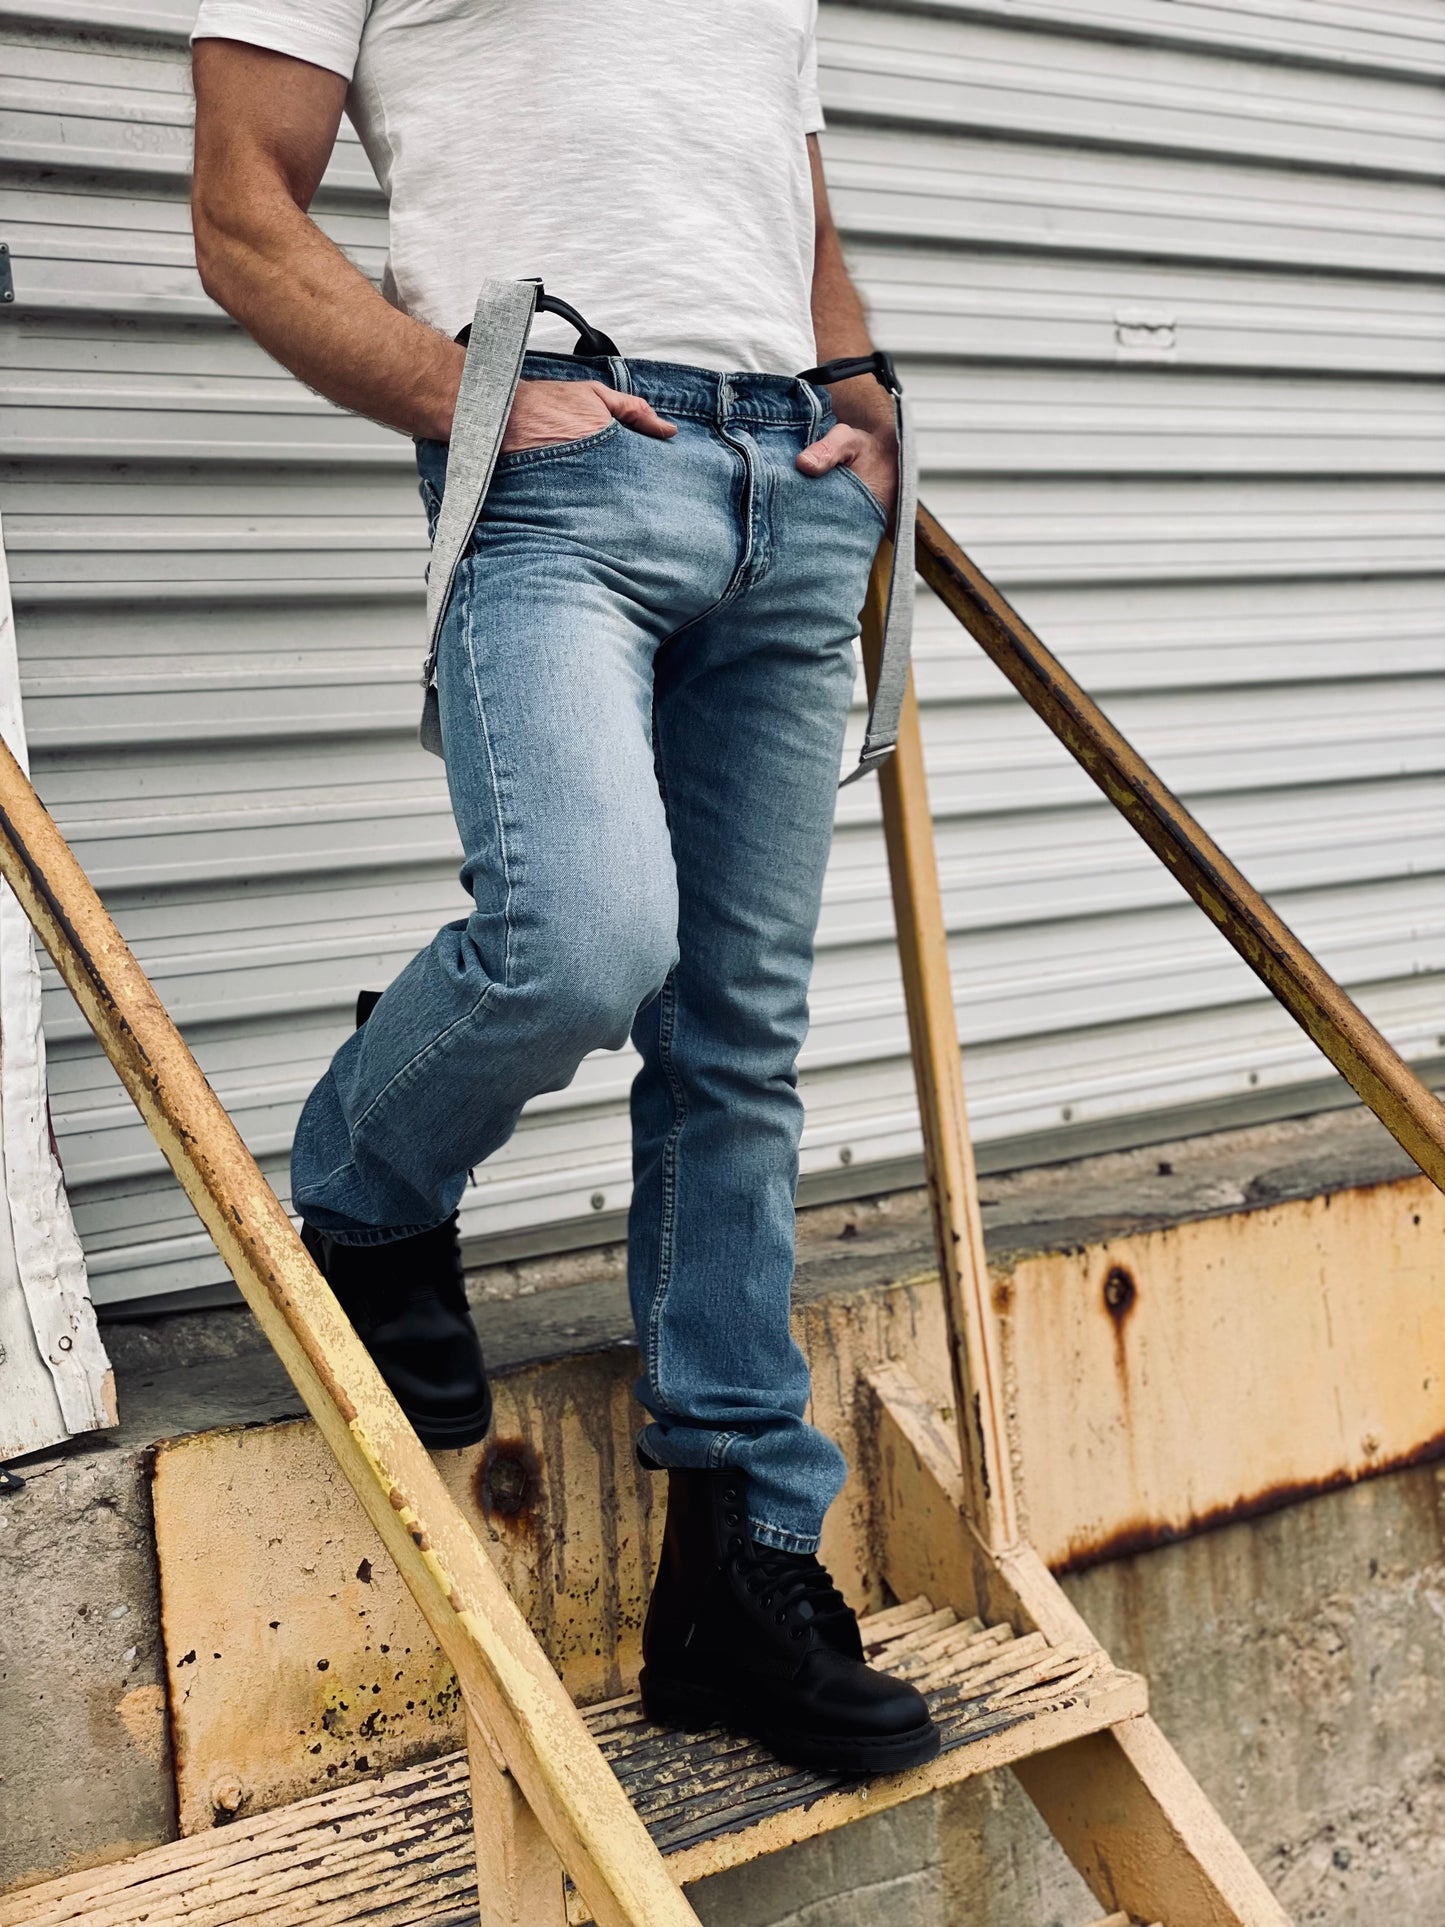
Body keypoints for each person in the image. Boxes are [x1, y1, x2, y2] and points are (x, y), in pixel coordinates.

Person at [188, 0, 938, 1776]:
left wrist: (860, 397)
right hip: (562, 460)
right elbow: (242, 210)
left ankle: (738, 1574)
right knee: (581, 939)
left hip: (795, 487)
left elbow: (783, 195)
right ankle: (369, 1184)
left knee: (737, 1044)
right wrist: (462, 394)